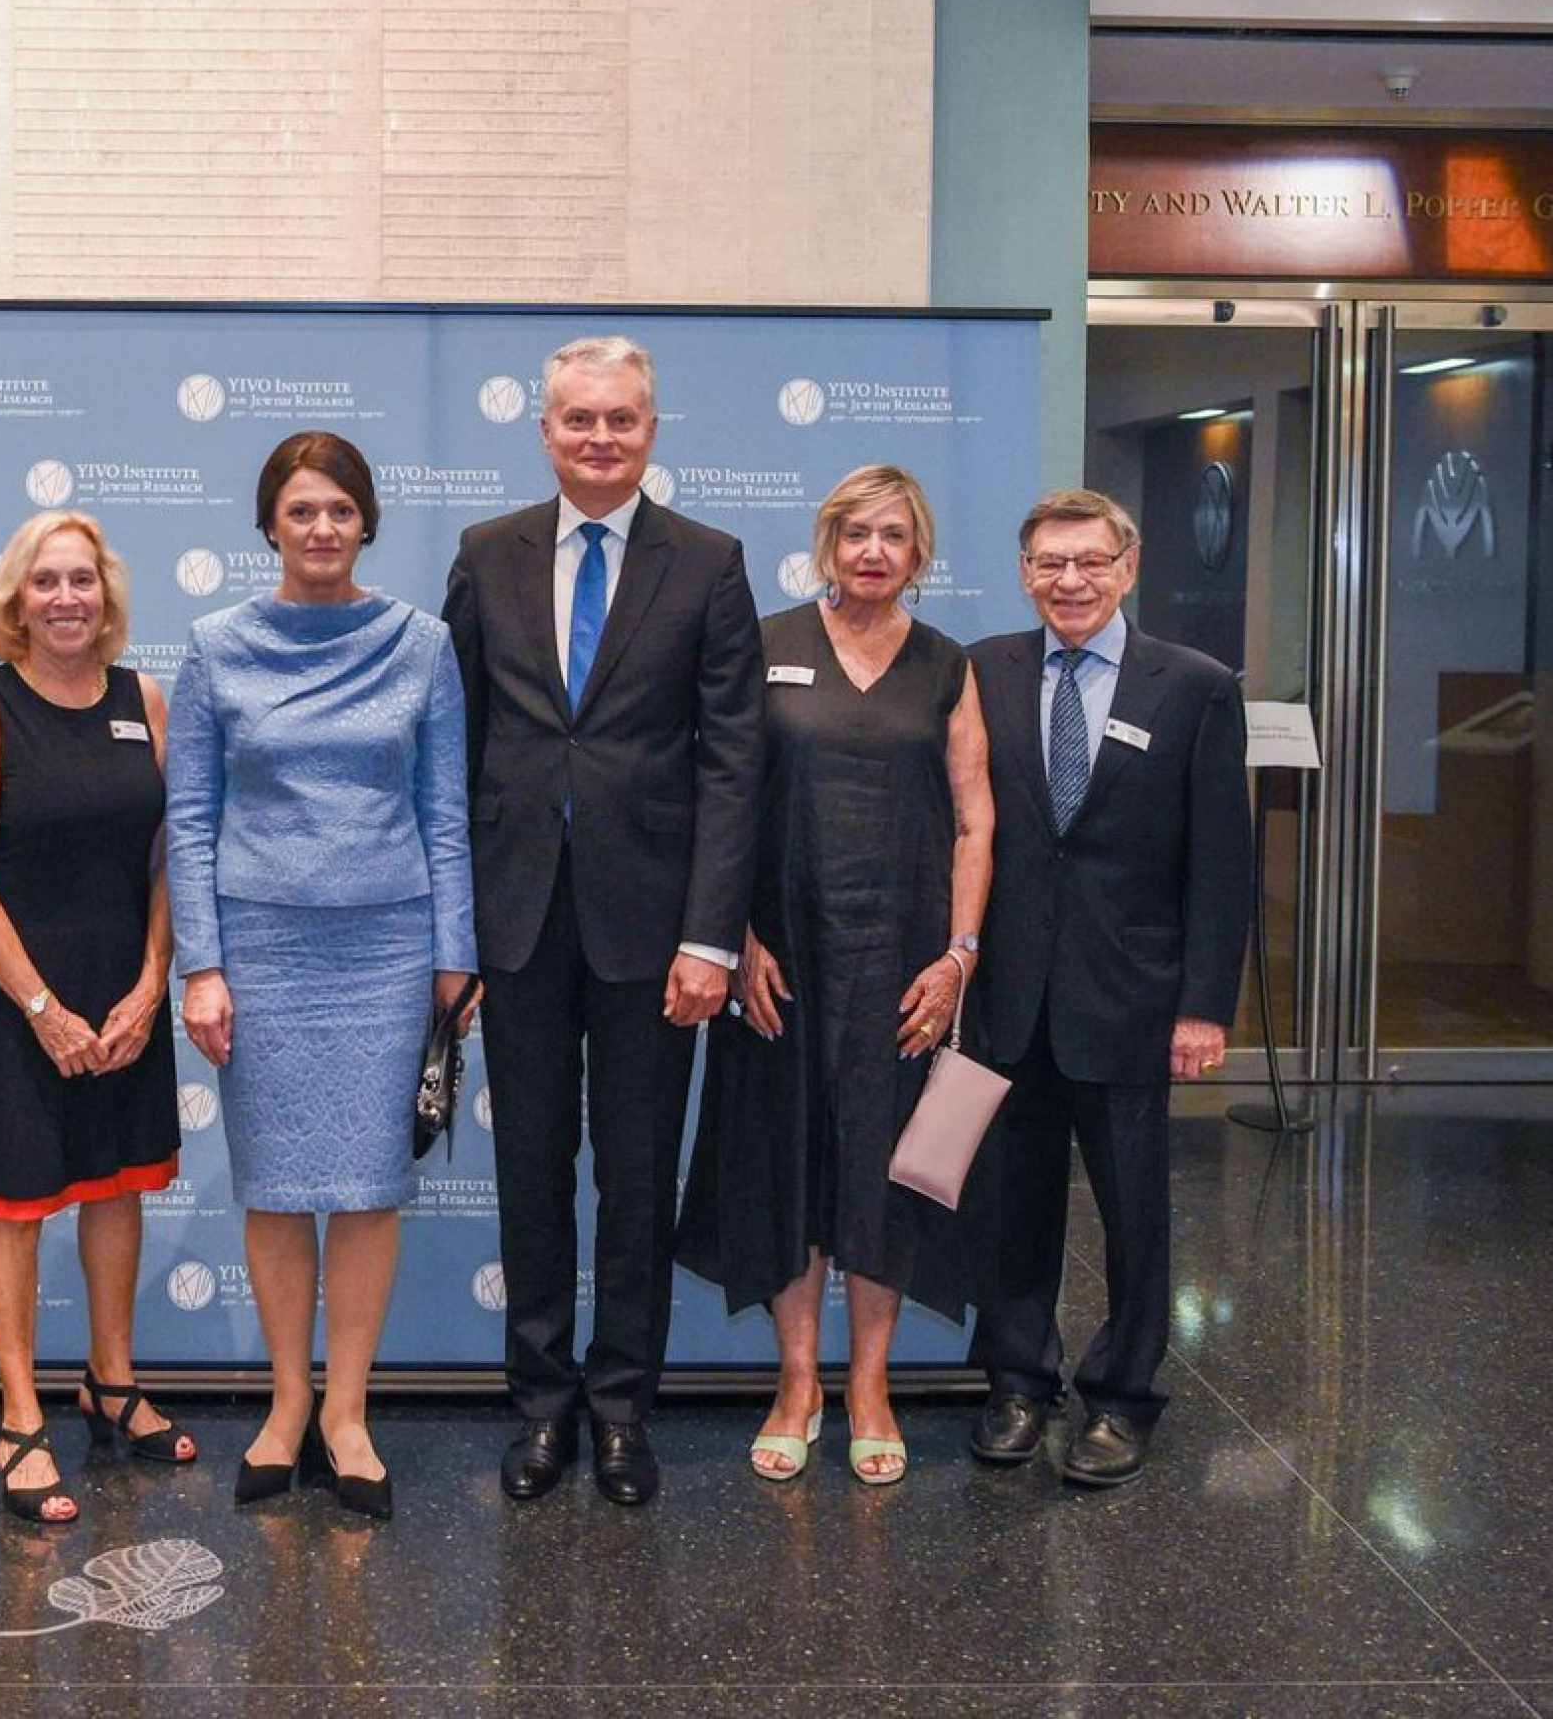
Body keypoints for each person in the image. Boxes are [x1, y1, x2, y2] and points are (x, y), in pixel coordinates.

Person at [443, 337, 762, 1506]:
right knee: (529, 1173)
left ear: (651, 431)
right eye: (578, 419)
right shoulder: (487, 554)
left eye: (620, 419)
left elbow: (733, 760)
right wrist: (455, 936)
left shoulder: (709, 562)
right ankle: (540, 1407)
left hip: (656, 935)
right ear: (545, 431)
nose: (599, 438)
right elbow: (454, 748)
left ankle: (623, 1408)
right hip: (517, 924)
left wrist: (710, 938)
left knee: (635, 1177)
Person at [167, 430, 476, 1522]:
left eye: (340, 509)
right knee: (275, 1185)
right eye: (301, 509)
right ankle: (287, 1404)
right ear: (269, 524)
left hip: (387, 950)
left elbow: (444, 811)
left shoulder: (420, 643)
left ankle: (348, 1413)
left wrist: (454, 959)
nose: (322, 527)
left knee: (368, 1187)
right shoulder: (215, 646)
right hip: (260, 951)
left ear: (367, 522)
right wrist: (202, 966)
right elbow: (189, 817)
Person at [676, 465, 994, 1486]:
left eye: (892, 536)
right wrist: (733, 937)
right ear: (826, 544)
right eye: (855, 533)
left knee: (883, 1172)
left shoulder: (946, 666)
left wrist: (958, 957)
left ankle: (869, 1386)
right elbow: (718, 798)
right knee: (786, 1166)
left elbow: (975, 821)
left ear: (918, 553)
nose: (872, 552)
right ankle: (797, 1382)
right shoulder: (764, 645)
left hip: (903, 969)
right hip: (780, 963)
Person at [965, 488, 1251, 1487]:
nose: (1071, 580)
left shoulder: (1195, 686)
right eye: (1050, 562)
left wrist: (1204, 1005)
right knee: (1012, 1202)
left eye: (1091, 561)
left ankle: (1124, 1397)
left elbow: (1222, 860)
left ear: (1127, 568)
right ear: (1024, 573)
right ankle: (1016, 1383)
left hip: (1131, 993)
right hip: (1008, 993)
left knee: (1133, 1207)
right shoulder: (984, 671)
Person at [0, 509, 189, 1526]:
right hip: (15, 997)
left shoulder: (145, 700)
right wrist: (43, 1008)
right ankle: (19, 1415)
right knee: (16, 1204)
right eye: (46, 582)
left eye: (82, 580)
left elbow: (171, 857)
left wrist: (151, 983)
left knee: (115, 1186)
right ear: (16, 598)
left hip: (123, 993)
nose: (67, 598)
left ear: (107, 594)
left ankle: (111, 1382)